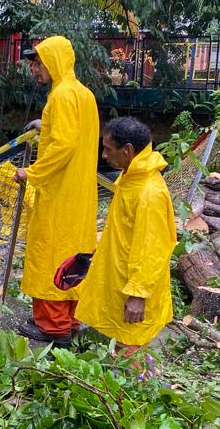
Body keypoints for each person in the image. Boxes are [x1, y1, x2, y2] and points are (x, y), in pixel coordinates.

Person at [15, 35, 100, 346]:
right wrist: (45, 126)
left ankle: (53, 327)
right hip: (80, 191)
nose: (34, 69)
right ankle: (70, 320)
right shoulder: (83, 93)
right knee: (73, 253)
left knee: (50, 253)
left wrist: (31, 172)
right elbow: (74, 133)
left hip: (60, 192)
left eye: (37, 63)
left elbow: (64, 146)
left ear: (53, 61)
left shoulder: (61, 95)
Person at [75, 117, 176, 354]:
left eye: (108, 149)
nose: (104, 156)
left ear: (128, 150)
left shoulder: (149, 193)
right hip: (119, 272)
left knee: (130, 347)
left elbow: (153, 250)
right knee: (119, 340)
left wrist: (138, 295)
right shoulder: (131, 176)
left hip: (133, 284)